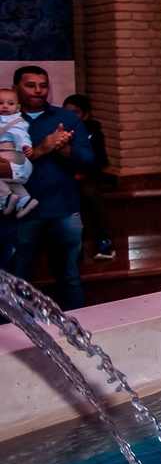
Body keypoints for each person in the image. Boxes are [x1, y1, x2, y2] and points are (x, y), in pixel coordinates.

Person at [11, 66, 94, 310]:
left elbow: (89, 160)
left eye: (43, 85)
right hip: (20, 214)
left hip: (63, 209)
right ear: (16, 87)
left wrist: (64, 148)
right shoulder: (6, 122)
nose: (38, 91)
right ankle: (13, 338)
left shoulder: (67, 119)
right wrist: (44, 148)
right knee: (17, 281)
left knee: (69, 277)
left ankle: (77, 335)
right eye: (30, 85)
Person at [62, 94, 114, 261]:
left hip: (86, 175)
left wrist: (81, 164)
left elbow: (100, 160)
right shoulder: (58, 129)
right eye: (66, 111)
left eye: (75, 112)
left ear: (85, 115)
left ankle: (105, 240)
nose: (70, 115)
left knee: (90, 194)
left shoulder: (93, 131)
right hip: (64, 175)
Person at [0, 88, 36, 217]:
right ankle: (25, 199)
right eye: (0, 103)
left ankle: (6, 197)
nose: (5, 106)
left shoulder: (16, 122)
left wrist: (25, 146)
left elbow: (21, 136)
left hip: (10, 152)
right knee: (10, 180)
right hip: (8, 153)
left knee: (3, 175)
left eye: (10, 104)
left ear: (17, 107)